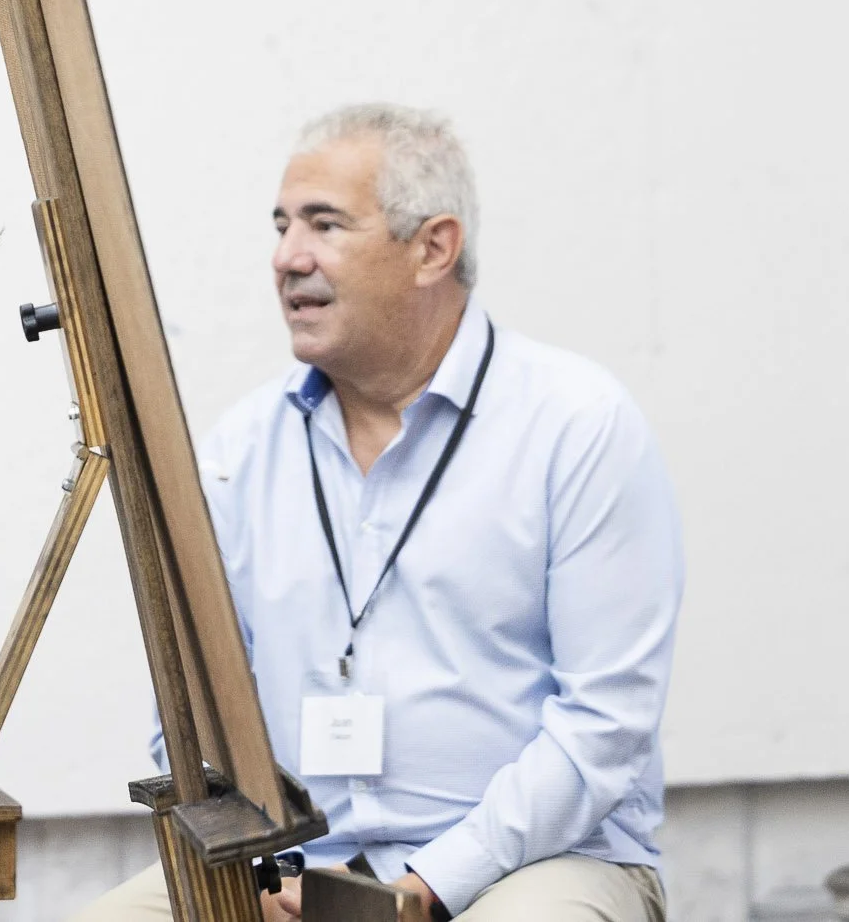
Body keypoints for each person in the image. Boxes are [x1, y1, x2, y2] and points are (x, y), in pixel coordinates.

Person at [74, 105, 680, 922]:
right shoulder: (240, 449)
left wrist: (431, 884)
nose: (288, 258)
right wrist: (259, 867)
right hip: (292, 868)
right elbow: (189, 718)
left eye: (325, 225)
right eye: (283, 225)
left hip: (530, 866)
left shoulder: (577, 426)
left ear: (433, 247)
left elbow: (606, 725)